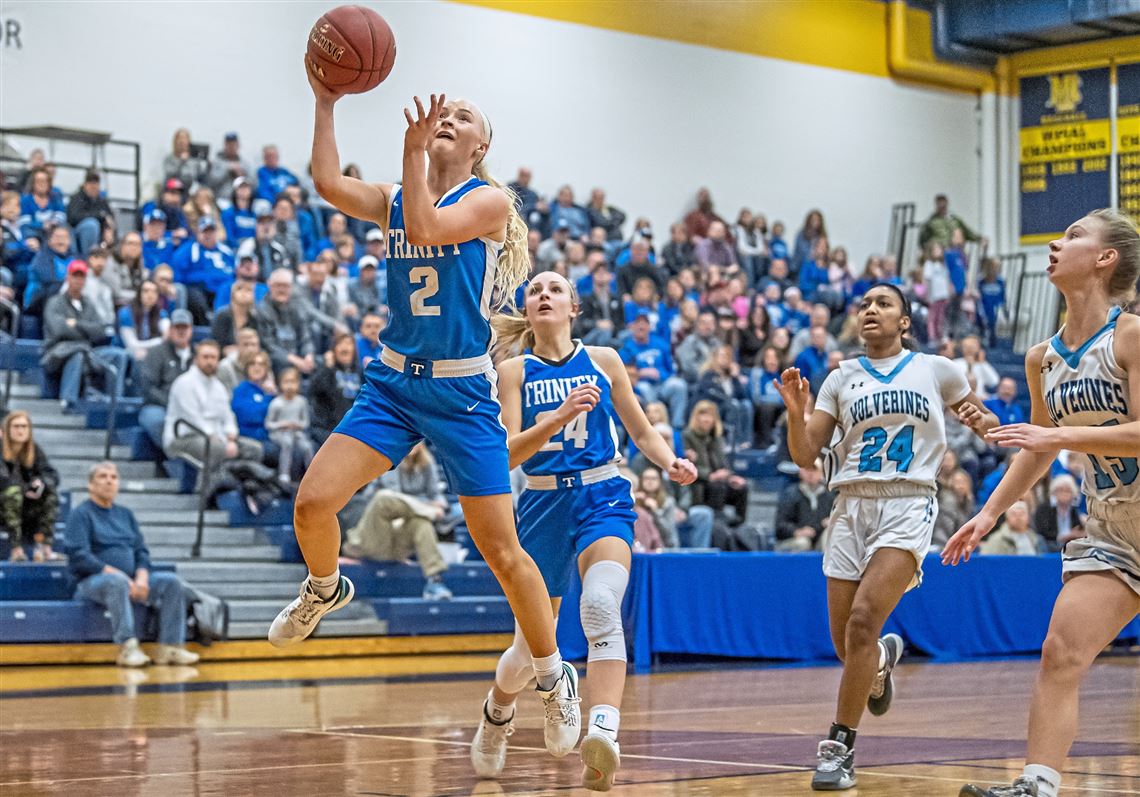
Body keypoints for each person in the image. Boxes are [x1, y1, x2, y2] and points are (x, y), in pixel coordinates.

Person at [269, 77, 578, 741]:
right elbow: (326, 181)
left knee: (501, 550)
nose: (449, 117)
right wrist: (326, 101)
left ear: (480, 144)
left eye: (463, 116)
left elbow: (427, 224)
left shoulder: (488, 201)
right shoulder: (393, 194)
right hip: (393, 384)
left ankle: (553, 675)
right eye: (447, 110)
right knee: (312, 503)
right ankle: (324, 587)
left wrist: (411, 156)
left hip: (463, 393)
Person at [472, 270, 696, 789]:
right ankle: (497, 711)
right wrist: (555, 419)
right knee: (529, 652)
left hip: (603, 494)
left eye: (554, 289)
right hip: (542, 504)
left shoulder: (604, 360)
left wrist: (670, 462)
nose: (543, 295)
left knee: (599, 605)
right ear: (527, 312)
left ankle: (604, 733)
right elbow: (505, 454)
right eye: (535, 291)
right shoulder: (513, 371)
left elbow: (639, 428)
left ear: (574, 308)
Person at [944, 209, 1140, 797]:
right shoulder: (1042, 358)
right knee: (1061, 652)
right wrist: (987, 513)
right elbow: (1033, 448)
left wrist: (1058, 437)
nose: (1057, 242)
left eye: (1075, 235)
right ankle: (1038, 785)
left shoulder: (1131, 335)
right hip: (1115, 528)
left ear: (1106, 259)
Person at [778, 283, 996, 790]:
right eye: (863, 306)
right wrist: (796, 411)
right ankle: (880, 660)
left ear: (905, 321)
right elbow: (806, 456)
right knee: (847, 644)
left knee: (860, 624)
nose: (870, 311)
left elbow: (983, 419)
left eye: (883, 304)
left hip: (908, 500)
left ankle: (838, 748)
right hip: (850, 506)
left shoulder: (936, 369)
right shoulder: (840, 377)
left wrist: (987, 423)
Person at [65, 461, 201, 668]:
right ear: (91, 485)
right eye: (103, 477)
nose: (109, 481)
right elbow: (78, 555)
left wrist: (142, 576)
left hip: (128, 579)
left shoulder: (125, 514)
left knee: (172, 582)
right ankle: (127, 647)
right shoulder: (81, 514)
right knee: (116, 581)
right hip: (91, 582)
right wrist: (115, 573)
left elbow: (141, 551)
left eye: (113, 477)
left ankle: (170, 647)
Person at [163, 340, 264, 472]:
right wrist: (223, 441)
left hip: (217, 438)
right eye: (205, 357)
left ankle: (239, 487)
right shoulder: (184, 383)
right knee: (216, 448)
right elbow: (192, 418)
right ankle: (207, 490)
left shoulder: (218, 386)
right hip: (184, 438)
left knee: (254, 449)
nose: (209, 362)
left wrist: (231, 434)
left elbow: (228, 415)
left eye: (213, 357)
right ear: (196, 359)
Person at [41, 261, 129, 408]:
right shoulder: (54, 302)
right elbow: (59, 330)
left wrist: (76, 324)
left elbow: (100, 330)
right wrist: (86, 330)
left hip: (88, 349)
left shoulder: (88, 303)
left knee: (118, 355)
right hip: (58, 353)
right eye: (75, 276)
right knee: (78, 353)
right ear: (67, 278)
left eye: (81, 277)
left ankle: (114, 403)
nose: (78, 280)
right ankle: (68, 402)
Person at [1, 411, 60, 561]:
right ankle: (16, 549)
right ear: (7, 429)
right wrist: (25, 488)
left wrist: (41, 483)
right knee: (12, 493)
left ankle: (45, 548)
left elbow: (52, 475)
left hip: (26, 505)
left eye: (24, 426)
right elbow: (3, 480)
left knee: (50, 494)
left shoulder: (35, 450)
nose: (20, 430)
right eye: (16, 426)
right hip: (3, 506)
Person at [683, 400, 749, 528]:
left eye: (711, 416)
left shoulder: (717, 438)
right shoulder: (687, 436)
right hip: (698, 483)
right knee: (717, 486)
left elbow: (723, 463)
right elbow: (684, 464)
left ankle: (739, 524)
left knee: (741, 487)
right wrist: (709, 476)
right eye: (703, 415)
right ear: (696, 417)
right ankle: (717, 524)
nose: (707, 419)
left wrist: (730, 477)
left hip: (719, 481)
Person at [138, 309, 194, 450]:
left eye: (185, 327)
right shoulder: (156, 353)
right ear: (170, 330)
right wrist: (171, 404)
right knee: (155, 419)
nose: (181, 332)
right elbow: (148, 388)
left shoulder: (198, 355)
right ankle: (175, 457)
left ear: (191, 330)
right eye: (177, 328)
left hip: (191, 407)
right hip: (160, 406)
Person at [309, 332, 361, 443]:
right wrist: (328, 367)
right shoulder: (326, 370)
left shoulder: (360, 372)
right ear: (333, 351)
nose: (345, 347)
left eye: (348, 343)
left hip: (355, 428)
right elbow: (314, 390)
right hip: (328, 429)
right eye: (340, 344)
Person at [266, 367, 314, 484]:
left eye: (293, 381)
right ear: (280, 384)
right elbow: (269, 424)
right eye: (286, 382)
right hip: (280, 433)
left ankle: (312, 474)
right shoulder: (276, 403)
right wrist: (282, 424)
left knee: (307, 446)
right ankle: (284, 474)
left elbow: (305, 422)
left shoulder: (301, 401)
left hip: (295, 432)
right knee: (287, 443)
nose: (289, 385)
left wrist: (297, 425)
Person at [775, 461, 833, 552]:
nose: (810, 474)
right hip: (794, 540)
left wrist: (832, 521)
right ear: (800, 472)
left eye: (814, 470)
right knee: (803, 542)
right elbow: (780, 525)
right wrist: (797, 531)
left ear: (821, 473)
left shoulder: (830, 495)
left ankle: (829, 566)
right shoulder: (790, 494)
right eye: (807, 470)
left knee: (830, 533)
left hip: (820, 539)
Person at [118, 279, 169, 361]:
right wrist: (159, 341)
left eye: (154, 292)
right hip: (125, 351)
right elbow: (132, 345)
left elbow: (168, 336)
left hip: (148, 349)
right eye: (146, 291)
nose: (150, 295)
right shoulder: (126, 313)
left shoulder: (161, 313)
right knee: (140, 354)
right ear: (139, 294)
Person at [66, 170, 114, 255]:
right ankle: (88, 259)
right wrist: (99, 215)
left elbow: (110, 218)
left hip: (100, 236)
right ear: (85, 184)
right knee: (91, 225)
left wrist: (108, 229)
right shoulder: (77, 198)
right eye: (90, 183)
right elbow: (73, 218)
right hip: (77, 235)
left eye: (96, 183)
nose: (93, 186)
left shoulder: (102, 201)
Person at [1033, 474, 1085, 552]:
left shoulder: (1073, 510)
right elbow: (1042, 531)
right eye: (1060, 490)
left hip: (1069, 545)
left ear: (1073, 494)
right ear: (1054, 492)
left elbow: (1077, 530)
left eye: (1068, 490)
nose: (1064, 493)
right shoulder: (1044, 508)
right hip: (1049, 544)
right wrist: (1063, 537)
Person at [979, 501, 1047, 556]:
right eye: (1014, 514)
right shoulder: (996, 540)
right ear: (1006, 517)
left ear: (1028, 517)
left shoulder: (1037, 540)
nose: (1018, 517)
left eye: (1022, 513)